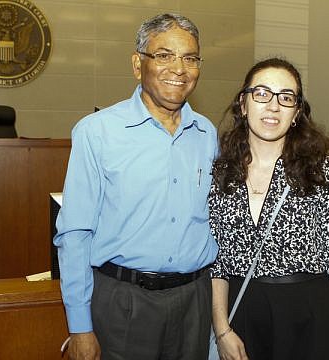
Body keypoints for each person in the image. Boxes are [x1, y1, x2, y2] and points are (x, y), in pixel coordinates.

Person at [53, 13, 219, 360]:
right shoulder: (96, 132)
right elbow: (75, 234)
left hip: (195, 301)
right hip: (123, 303)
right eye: (164, 55)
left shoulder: (207, 134)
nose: (179, 68)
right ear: (137, 64)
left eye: (190, 58)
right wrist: (80, 327)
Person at [209, 58, 329, 360]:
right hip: (243, 314)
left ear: (296, 113)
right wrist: (222, 328)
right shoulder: (223, 171)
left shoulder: (317, 169)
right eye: (262, 94)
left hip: (309, 314)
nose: (273, 106)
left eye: (286, 97)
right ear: (243, 104)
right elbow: (217, 261)